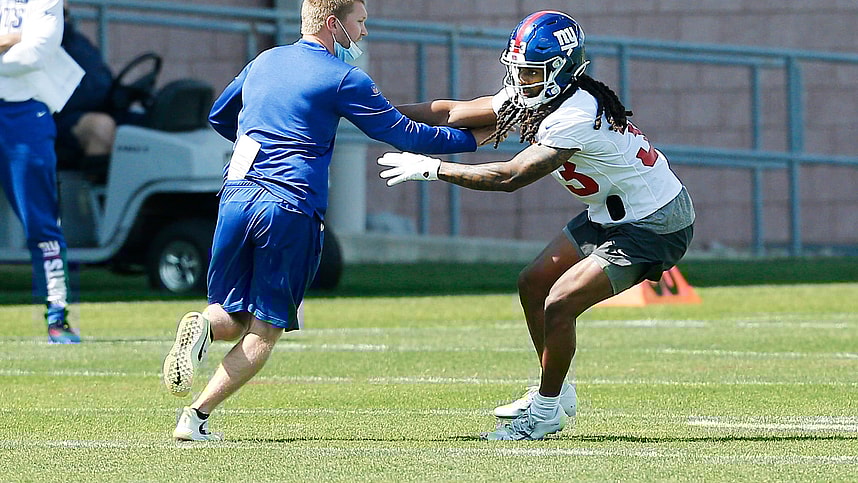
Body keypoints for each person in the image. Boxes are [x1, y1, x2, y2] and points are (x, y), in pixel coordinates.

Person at [161, 0, 491, 441]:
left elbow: (219, 116)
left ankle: (202, 334)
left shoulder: (265, 60)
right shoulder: (342, 76)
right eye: (361, 22)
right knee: (266, 328)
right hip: (289, 205)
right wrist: (473, 140)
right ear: (334, 23)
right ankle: (194, 416)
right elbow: (402, 133)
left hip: (236, 196)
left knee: (231, 315)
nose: (364, 33)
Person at [380, 11, 695, 440]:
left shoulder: (576, 113)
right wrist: (372, 116)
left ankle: (546, 412)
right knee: (533, 283)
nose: (521, 82)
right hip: (610, 212)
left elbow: (511, 177)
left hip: (653, 223)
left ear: (562, 71)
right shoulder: (541, 96)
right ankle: (556, 390)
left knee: (560, 302)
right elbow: (452, 112)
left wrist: (434, 170)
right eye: (518, 71)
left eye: (531, 73)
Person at [0, 0, 83, 344]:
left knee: (41, 223)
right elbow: (23, 45)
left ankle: (56, 316)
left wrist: (19, 40)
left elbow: (35, 53)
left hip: (24, 116)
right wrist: (12, 37)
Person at [53, 1, 117, 184]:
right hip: (55, 119)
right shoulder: (34, 44)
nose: (62, 18)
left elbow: (101, 76)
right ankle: (94, 205)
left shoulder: (78, 42)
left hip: (99, 107)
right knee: (100, 127)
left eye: (64, 12)